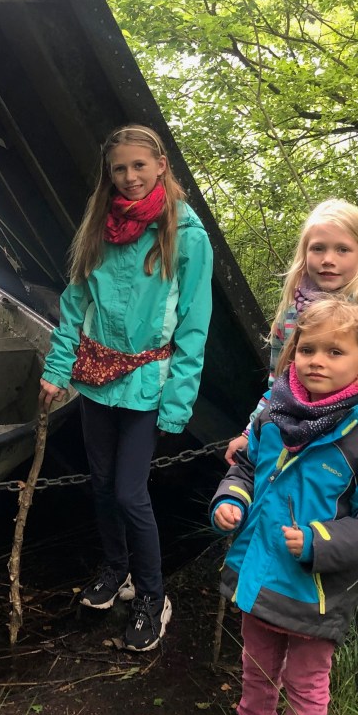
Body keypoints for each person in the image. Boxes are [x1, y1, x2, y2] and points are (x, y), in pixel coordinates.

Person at [205, 298, 358, 715]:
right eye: (308, 349)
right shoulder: (274, 416)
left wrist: (322, 542)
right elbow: (246, 467)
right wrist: (231, 500)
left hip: (317, 589)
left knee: (305, 679)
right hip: (260, 572)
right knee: (256, 661)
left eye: (334, 352)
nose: (317, 360)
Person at [224, 199, 358, 715]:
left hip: (355, 469)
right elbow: (278, 387)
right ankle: (280, 666)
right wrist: (251, 432)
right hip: (296, 463)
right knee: (293, 560)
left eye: (342, 249)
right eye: (317, 248)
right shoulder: (293, 317)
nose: (328, 259)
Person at [39, 125, 214, 652]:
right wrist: (57, 369)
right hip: (97, 377)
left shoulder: (186, 233)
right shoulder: (99, 223)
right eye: (120, 168)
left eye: (140, 165)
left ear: (161, 165)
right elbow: (75, 305)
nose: (130, 176)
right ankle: (117, 571)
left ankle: (153, 596)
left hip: (147, 382)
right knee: (100, 483)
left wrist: (177, 403)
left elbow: (193, 325)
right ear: (108, 173)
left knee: (128, 492)